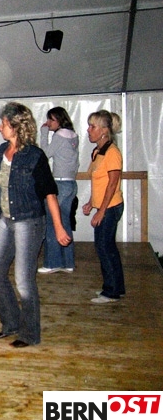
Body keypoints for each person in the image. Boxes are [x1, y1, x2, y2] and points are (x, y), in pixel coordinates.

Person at [0, 102, 71, 348]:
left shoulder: (35, 156)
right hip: (6, 220)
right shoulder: (0, 152)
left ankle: (30, 334)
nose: (0, 127)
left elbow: (49, 194)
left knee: (23, 281)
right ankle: (12, 323)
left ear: (16, 126)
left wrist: (59, 227)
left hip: (29, 221)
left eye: (3, 123)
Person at [82, 110, 125, 304]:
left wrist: (101, 211)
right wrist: (92, 202)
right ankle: (116, 286)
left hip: (110, 207)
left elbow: (112, 183)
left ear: (104, 131)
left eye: (93, 127)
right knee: (108, 247)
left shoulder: (112, 152)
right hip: (103, 206)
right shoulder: (98, 152)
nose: (89, 130)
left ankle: (111, 291)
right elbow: (98, 182)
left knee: (104, 247)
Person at [38, 107, 80, 274]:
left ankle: (52, 262)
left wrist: (43, 133)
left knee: (52, 222)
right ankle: (68, 262)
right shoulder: (73, 136)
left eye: (51, 120)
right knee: (65, 222)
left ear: (60, 120)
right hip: (70, 183)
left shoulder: (59, 135)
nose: (48, 123)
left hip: (60, 184)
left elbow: (44, 154)